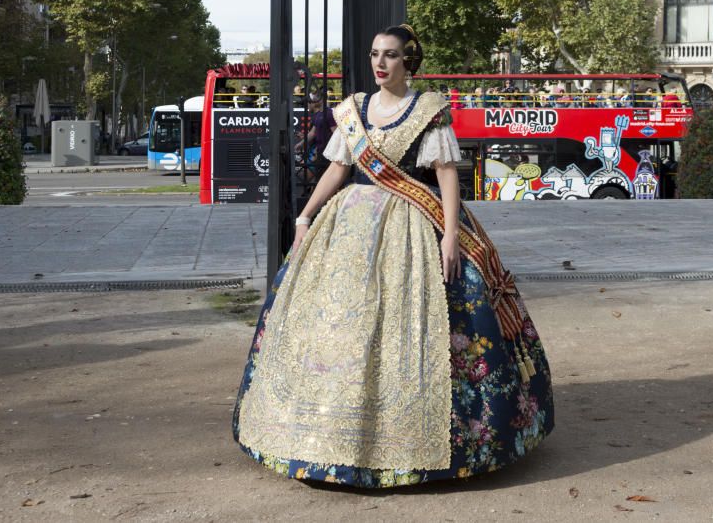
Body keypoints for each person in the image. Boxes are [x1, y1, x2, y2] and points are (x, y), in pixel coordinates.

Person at [233, 24, 553, 489]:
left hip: (412, 228)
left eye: (391, 56)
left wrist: (448, 235)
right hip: (347, 228)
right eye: (375, 54)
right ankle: (319, 435)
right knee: (337, 323)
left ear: (409, 62)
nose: (381, 64)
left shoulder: (428, 111)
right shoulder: (353, 111)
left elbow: (446, 176)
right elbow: (338, 169)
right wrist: (304, 218)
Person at [295, 91, 337, 183]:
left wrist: (333, 151)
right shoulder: (317, 115)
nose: (307, 106)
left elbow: (336, 133)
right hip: (319, 152)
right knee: (318, 179)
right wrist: (301, 144)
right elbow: (312, 133)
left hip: (327, 153)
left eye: (308, 103)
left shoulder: (329, 114)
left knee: (323, 180)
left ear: (314, 103)